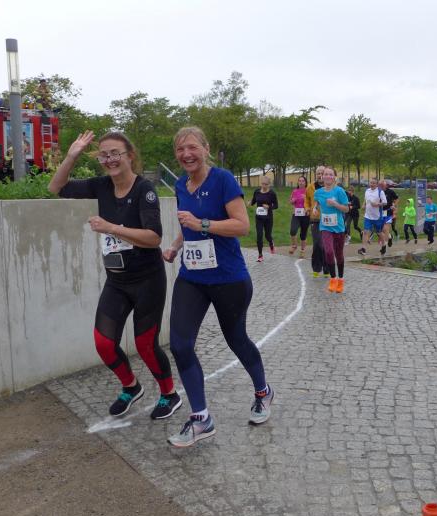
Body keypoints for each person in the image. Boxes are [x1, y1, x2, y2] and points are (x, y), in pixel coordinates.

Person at [47, 130, 181, 420]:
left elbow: (154, 238)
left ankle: (169, 394)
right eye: (103, 155)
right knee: (104, 343)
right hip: (117, 281)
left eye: (115, 154)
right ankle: (131, 387)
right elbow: (56, 187)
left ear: (129, 156)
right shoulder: (102, 186)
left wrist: (111, 228)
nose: (109, 160)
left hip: (147, 280)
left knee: (145, 345)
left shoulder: (144, 189)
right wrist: (72, 155)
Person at [164, 126, 273, 448]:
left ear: (206, 148)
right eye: (180, 149)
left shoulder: (223, 179)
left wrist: (203, 224)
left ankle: (263, 392)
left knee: (236, 339)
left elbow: (242, 225)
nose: (186, 154)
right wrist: (176, 246)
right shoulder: (180, 183)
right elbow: (187, 223)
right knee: (180, 345)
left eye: (192, 147)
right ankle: (201, 418)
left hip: (228, 278)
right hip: (192, 278)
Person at [313, 166, 350, 293]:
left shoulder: (339, 191)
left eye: (330, 174)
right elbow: (317, 202)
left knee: (339, 254)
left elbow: (346, 209)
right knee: (328, 251)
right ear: (322, 176)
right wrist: (315, 208)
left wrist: (335, 204)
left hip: (338, 228)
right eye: (326, 174)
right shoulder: (318, 192)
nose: (328, 176)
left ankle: (341, 280)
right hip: (325, 227)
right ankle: (333, 279)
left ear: (334, 177)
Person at [250, 175, 278, 262]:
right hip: (259, 217)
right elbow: (254, 201)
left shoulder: (272, 193)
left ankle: (271, 243)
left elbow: (276, 205)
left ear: (269, 184)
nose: (264, 186)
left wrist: (269, 207)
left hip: (268, 218)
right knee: (259, 235)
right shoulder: (257, 191)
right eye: (262, 184)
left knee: (267, 235)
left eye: (266, 184)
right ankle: (260, 255)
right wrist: (250, 203)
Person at [358, 177, 387, 256]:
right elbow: (365, 200)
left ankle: (384, 245)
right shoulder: (367, 191)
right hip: (368, 216)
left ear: (377, 184)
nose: (372, 184)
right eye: (371, 183)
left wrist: (377, 204)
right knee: (366, 232)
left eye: (374, 183)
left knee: (379, 232)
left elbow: (385, 202)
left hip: (377, 217)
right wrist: (363, 205)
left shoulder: (380, 192)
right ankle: (363, 249)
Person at [305, 166, 325, 277]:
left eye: (322, 173)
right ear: (315, 175)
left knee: (325, 245)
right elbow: (307, 200)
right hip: (315, 219)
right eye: (318, 173)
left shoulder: (331, 187)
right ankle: (316, 268)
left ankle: (327, 268)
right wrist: (307, 208)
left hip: (328, 220)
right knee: (317, 243)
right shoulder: (310, 187)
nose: (320, 175)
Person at [288, 175, 309, 257]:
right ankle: (294, 245)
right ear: (298, 182)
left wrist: (306, 198)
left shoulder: (308, 191)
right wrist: (292, 201)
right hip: (296, 214)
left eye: (303, 181)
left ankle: (302, 250)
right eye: (299, 181)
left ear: (305, 182)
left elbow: (312, 201)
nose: (301, 182)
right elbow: (290, 201)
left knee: (303, 234)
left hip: (305, 215)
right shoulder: (294, 191)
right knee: (293, 230)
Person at [379, 180, 399, 246]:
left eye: (383, 185)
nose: (381, 186)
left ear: (385, 185)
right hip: (379, 212)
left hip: (388, 212)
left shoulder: (390, 192)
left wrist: (394, 205)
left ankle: (384, 245)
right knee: (381, 229)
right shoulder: (377, 192)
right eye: (380, 185)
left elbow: (397, 199)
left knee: (386, 228)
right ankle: (390, 237)